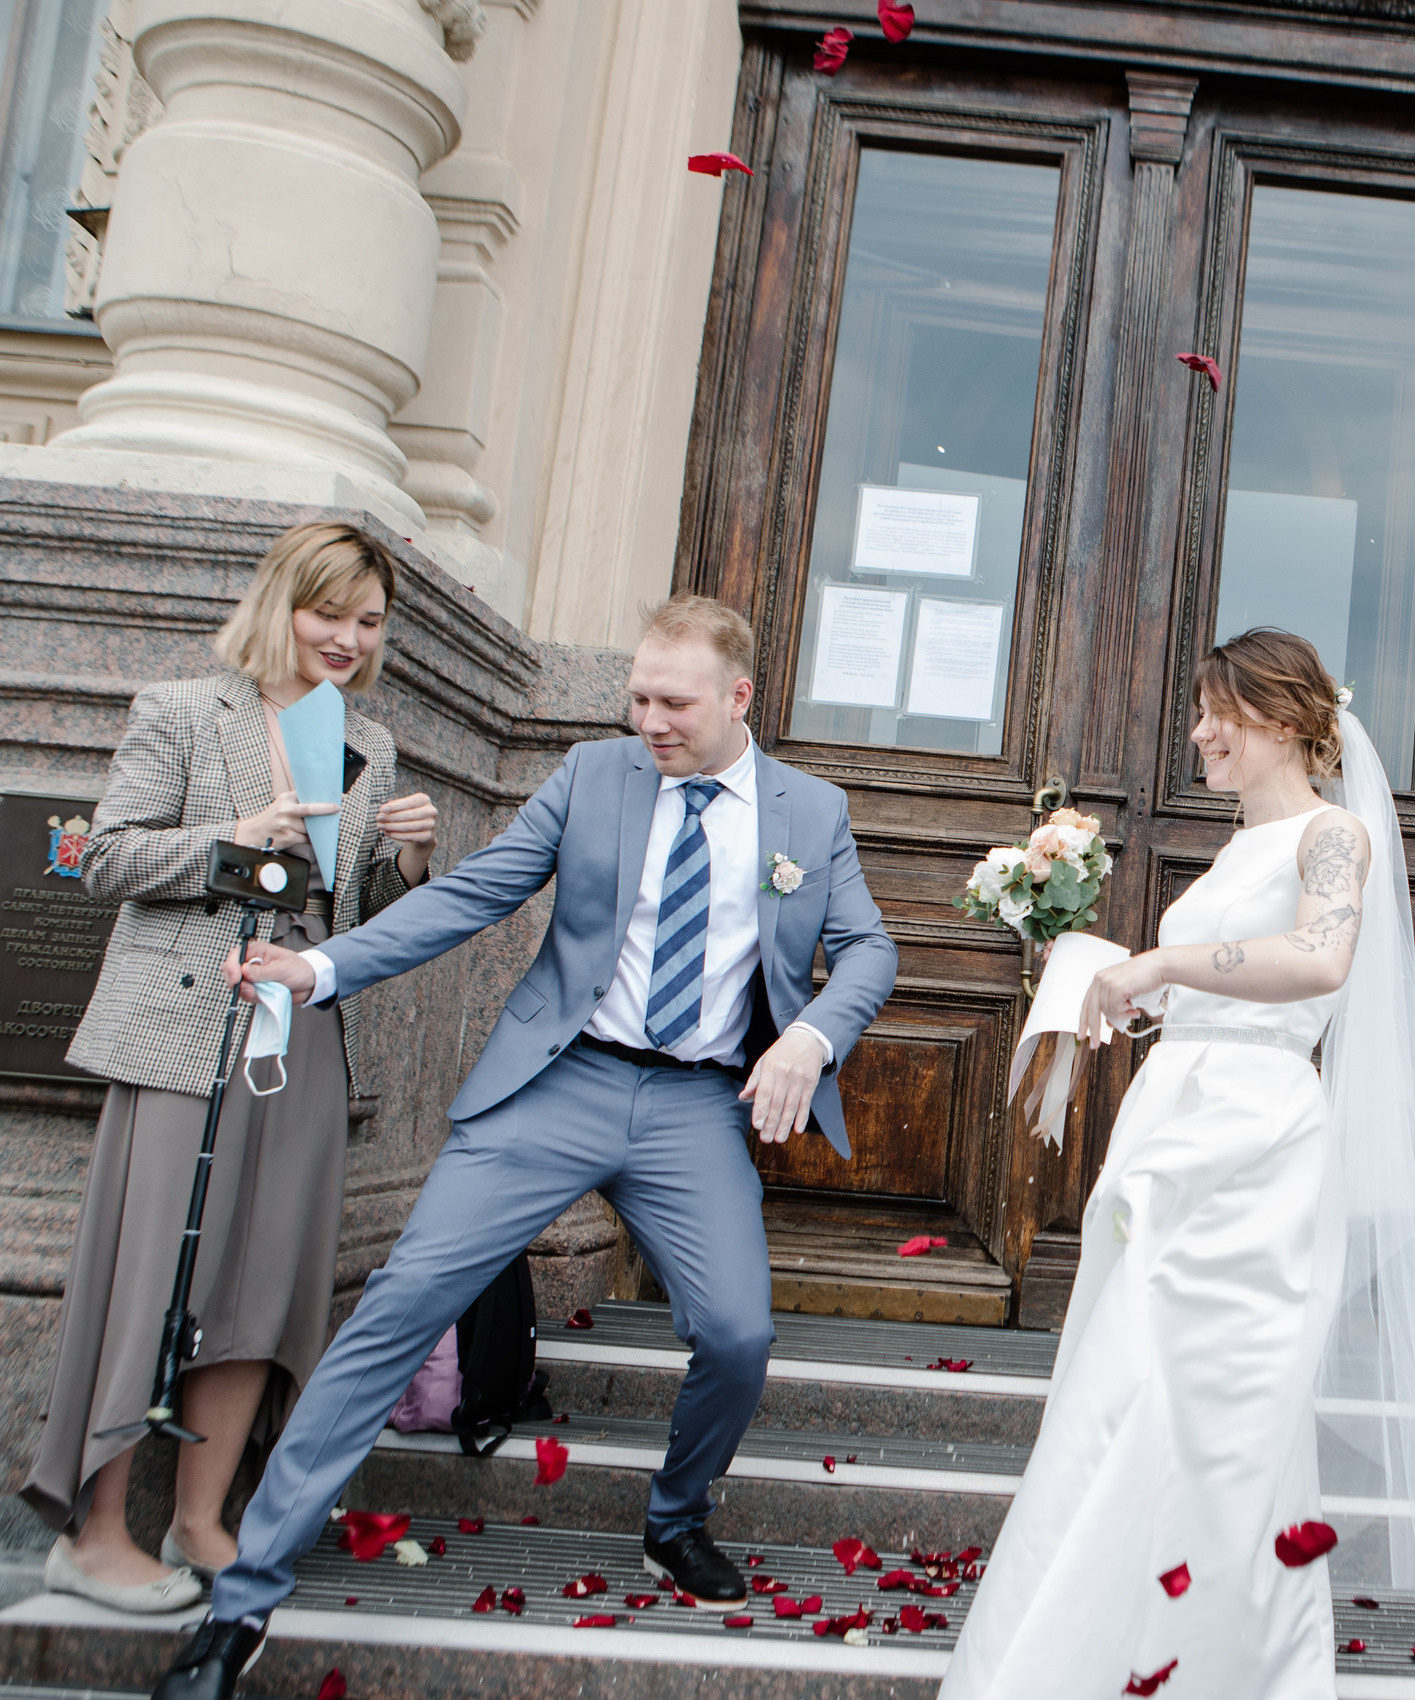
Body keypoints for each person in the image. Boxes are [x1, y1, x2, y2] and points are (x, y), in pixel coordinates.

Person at [146, 595, 899, 1700]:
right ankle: (243, 1599)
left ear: (739, 697)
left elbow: (868, 947)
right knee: (402, 1303)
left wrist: (812, 1032)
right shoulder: (593, 775)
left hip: (693, 1106)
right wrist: (325, 967)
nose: (648, 718)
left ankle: (674, 1518)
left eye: (673, 701)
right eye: (636, 694)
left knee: (738, 1334)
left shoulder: (807, 811)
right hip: (561, 1080)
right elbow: (472, 893)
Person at [938, 629, 1415, 1699]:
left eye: (1215, 712)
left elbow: (1318, 958)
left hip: (1255, 1148)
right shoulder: (1234, 849)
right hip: (1173, 1119)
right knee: (1121, 1386)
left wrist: (1167, 959)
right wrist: (1120, 987)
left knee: (1219, 1412)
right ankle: (1091, 1640)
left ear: (1280, 717)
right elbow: (1212, 987)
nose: (1197, 733)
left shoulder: (1333, 839)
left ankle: (1215, 1665)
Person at [20, 522, 438, 1613]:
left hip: (296, 1037)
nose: (346, 639)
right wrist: (229, 838)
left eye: (367, 622)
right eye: (328, 612)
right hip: (179, 1030)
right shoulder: (179, 708)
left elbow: (357, 916)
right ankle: (94, 1526)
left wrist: (407, 861)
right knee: (153, 1273)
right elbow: (102, 854)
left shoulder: (367, 742)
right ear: (279, 601)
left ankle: (199, 1516)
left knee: (260, 1274)